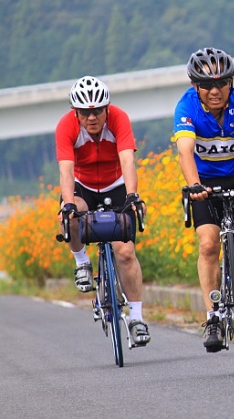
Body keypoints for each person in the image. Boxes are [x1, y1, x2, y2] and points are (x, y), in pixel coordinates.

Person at [173, 47, 234, 353]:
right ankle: (213, 317)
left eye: (222, 83)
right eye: (207, 85)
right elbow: (185, 150)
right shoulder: (186, 107)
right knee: (207, 243)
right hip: (204, 181)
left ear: (231, 82)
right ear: (195, 87)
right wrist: (194, 186)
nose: (215, 90)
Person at [55, 75, 151, 346]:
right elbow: (66, 171)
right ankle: (82, 261)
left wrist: (132, 195)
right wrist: (69, 202)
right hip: (83, 186)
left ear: (107, 108)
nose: (92, 117)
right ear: (76, 113)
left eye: (98, 110)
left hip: (116, 184)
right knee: (69, 212)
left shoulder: (119, 118)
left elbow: (128, 160)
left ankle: (136, 318)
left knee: (126, 252)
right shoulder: (66, 126)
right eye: (85, 112)